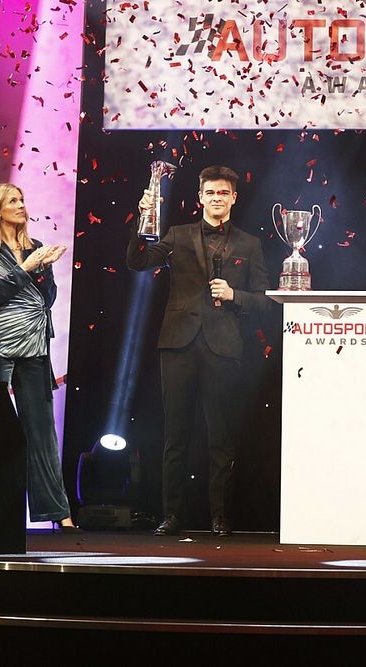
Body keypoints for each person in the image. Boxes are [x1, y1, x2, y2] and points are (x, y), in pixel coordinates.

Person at [128, 165, 271, 537]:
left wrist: (234, 295)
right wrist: (144, 219)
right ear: (200, 198)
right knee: (175, 435)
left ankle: (220, 516)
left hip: (223, 346)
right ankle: (171, 514)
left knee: (220, 436)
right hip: (178, 344)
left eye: (224, 193)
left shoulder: (249, 243)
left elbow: (265, 301)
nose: (217, 199)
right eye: (211, 193)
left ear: (234, 198)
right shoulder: (177, 235)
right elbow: (138, 261)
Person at [0, 183, 77, 531]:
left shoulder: (36, 247)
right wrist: (25, 268)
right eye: (12, 201)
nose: (21, 205)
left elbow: (47, 298)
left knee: (42, 429)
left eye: (22, 199)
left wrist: (44, 270)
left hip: (34, 344)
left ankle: (57, 512)